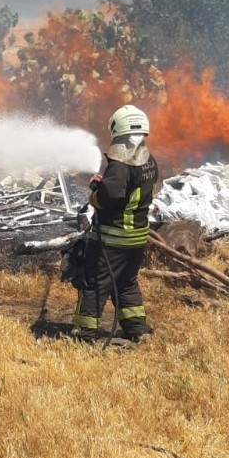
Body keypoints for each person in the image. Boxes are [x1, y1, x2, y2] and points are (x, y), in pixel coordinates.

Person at [72, 103, 158, 342]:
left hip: (113, 239)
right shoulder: (149, 162)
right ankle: (136, 330)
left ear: (117, 130)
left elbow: (111, 197)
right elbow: (132, 189)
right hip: (137, 238)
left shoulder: (120, 165)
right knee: (126, 283)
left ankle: (85, 333)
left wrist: (94, 193)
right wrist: (107, 180)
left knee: (95, 285)